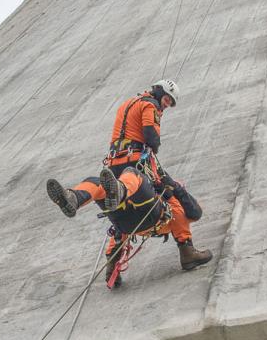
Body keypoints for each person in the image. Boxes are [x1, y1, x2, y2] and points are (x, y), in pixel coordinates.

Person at [46, 78, 213, 276]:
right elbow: (151, 136)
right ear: (159, 92)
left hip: (114, 169)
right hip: (136, 170)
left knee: (97, 183)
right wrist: (158, 156)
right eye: (167, 100)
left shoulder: (126, 104)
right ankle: (187, 251)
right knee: (136, 180)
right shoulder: (150, 105)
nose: (166, 106)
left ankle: (74, 197)